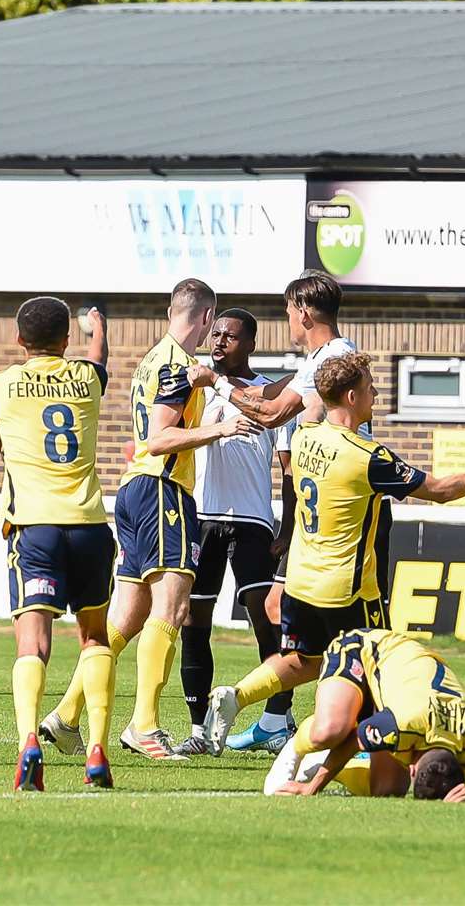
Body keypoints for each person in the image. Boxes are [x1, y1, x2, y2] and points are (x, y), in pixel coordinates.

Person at [204, 352, 465, 754]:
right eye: (370, 386)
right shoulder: (368, 457)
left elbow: (311, 402)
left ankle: (235, 696)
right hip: (349, 591)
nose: (376, 392)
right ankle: (368, 752)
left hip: (302, 582)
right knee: (373, 671)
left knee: (304, 661)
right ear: (352, 396)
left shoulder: (304, 437)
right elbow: (441, 491)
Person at [43, 278, 253, 761]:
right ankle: (145, 726)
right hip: (163, 488)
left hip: (135, 490)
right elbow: (159, 437)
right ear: (205, 318)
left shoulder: (153, 360)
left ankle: (67, 714)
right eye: (211, 325)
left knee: (126, 617)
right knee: (173, 610)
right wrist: (218, 428)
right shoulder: (177, 365)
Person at [188, 270, 363, 751]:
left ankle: (356, 722)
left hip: (344, 503)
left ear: (304, 311)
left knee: (345, 627)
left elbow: (269, 413)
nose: (287, 318)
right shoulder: (320, 359)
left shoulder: (331, 358)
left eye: (288, 310)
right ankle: (273, 718)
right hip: (317, 505)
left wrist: (217, 386)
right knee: (275, 607)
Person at [0, 297, 118, 790]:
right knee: (95, 638)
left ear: (20, 340)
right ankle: (98, 749)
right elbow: (100, 356)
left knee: (33, 642)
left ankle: (28, 741)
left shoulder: (1, 383)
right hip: (88, 524)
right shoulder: (86, 379)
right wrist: (97, 328)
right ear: (67, 340)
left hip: (33, 526)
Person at [173, 308, 288, 757]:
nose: (219, 341)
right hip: (202, 518)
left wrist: (289, 527)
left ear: (251, 344)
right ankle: (200, 730)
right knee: (193, 621)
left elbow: (289, 468)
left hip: (254, 520)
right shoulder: (192, 388)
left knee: (266, 618)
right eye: (215, 333)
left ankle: (277, 718)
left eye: (231, 336)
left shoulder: (270, 395)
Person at [264, 629, 465, 804]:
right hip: (363, 648)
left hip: (404, 688)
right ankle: (298, 744)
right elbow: (352, 740)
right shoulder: (403, 723)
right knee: (332, 731)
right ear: (413, 769)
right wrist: (313, 788)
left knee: (387, 792)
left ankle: (320, 764)